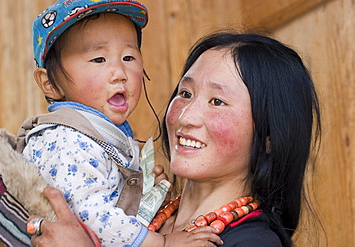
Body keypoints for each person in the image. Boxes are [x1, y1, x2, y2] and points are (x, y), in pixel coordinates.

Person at [26, 30, 322, 247]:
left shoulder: (253, 243)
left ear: (269, 135)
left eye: (217, 101)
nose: (184, 116)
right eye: (185, 93)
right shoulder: (135, 217)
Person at [0, 0, 222, 247]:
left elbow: (104, 201)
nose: (119, 72)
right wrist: (163, 243)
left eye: (129, 57)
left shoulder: (98, 134)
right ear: (49, 84)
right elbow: (94, 217)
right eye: (99, 59)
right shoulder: (66, 140)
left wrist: (142, 192)